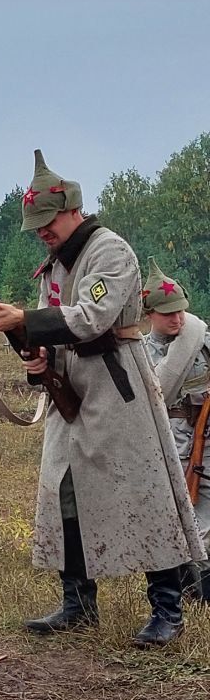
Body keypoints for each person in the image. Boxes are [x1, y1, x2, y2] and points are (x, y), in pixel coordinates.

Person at [0, 150, 205, 647]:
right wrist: (37, 360)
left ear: (73, 210)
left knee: (143, 491)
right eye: (36, 224)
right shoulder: (54, 265)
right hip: (71, 388)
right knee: (65, 493)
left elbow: (91, 318)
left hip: (116, 383)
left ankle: (167, 610)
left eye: (48, 221)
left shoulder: (111, 252)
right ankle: (78, 604)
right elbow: (51, 321)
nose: (42, 231)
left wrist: (25, 321)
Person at [141, 258, 210, 604]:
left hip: (204, 438)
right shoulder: (138, 351)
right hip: (164, 441)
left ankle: (203, 587)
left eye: (181, 310)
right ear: (149, 312)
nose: (177, 318)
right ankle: (181, 584)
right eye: (167, 312)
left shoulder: (202, 340)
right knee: (169, 517)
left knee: (205, 515)